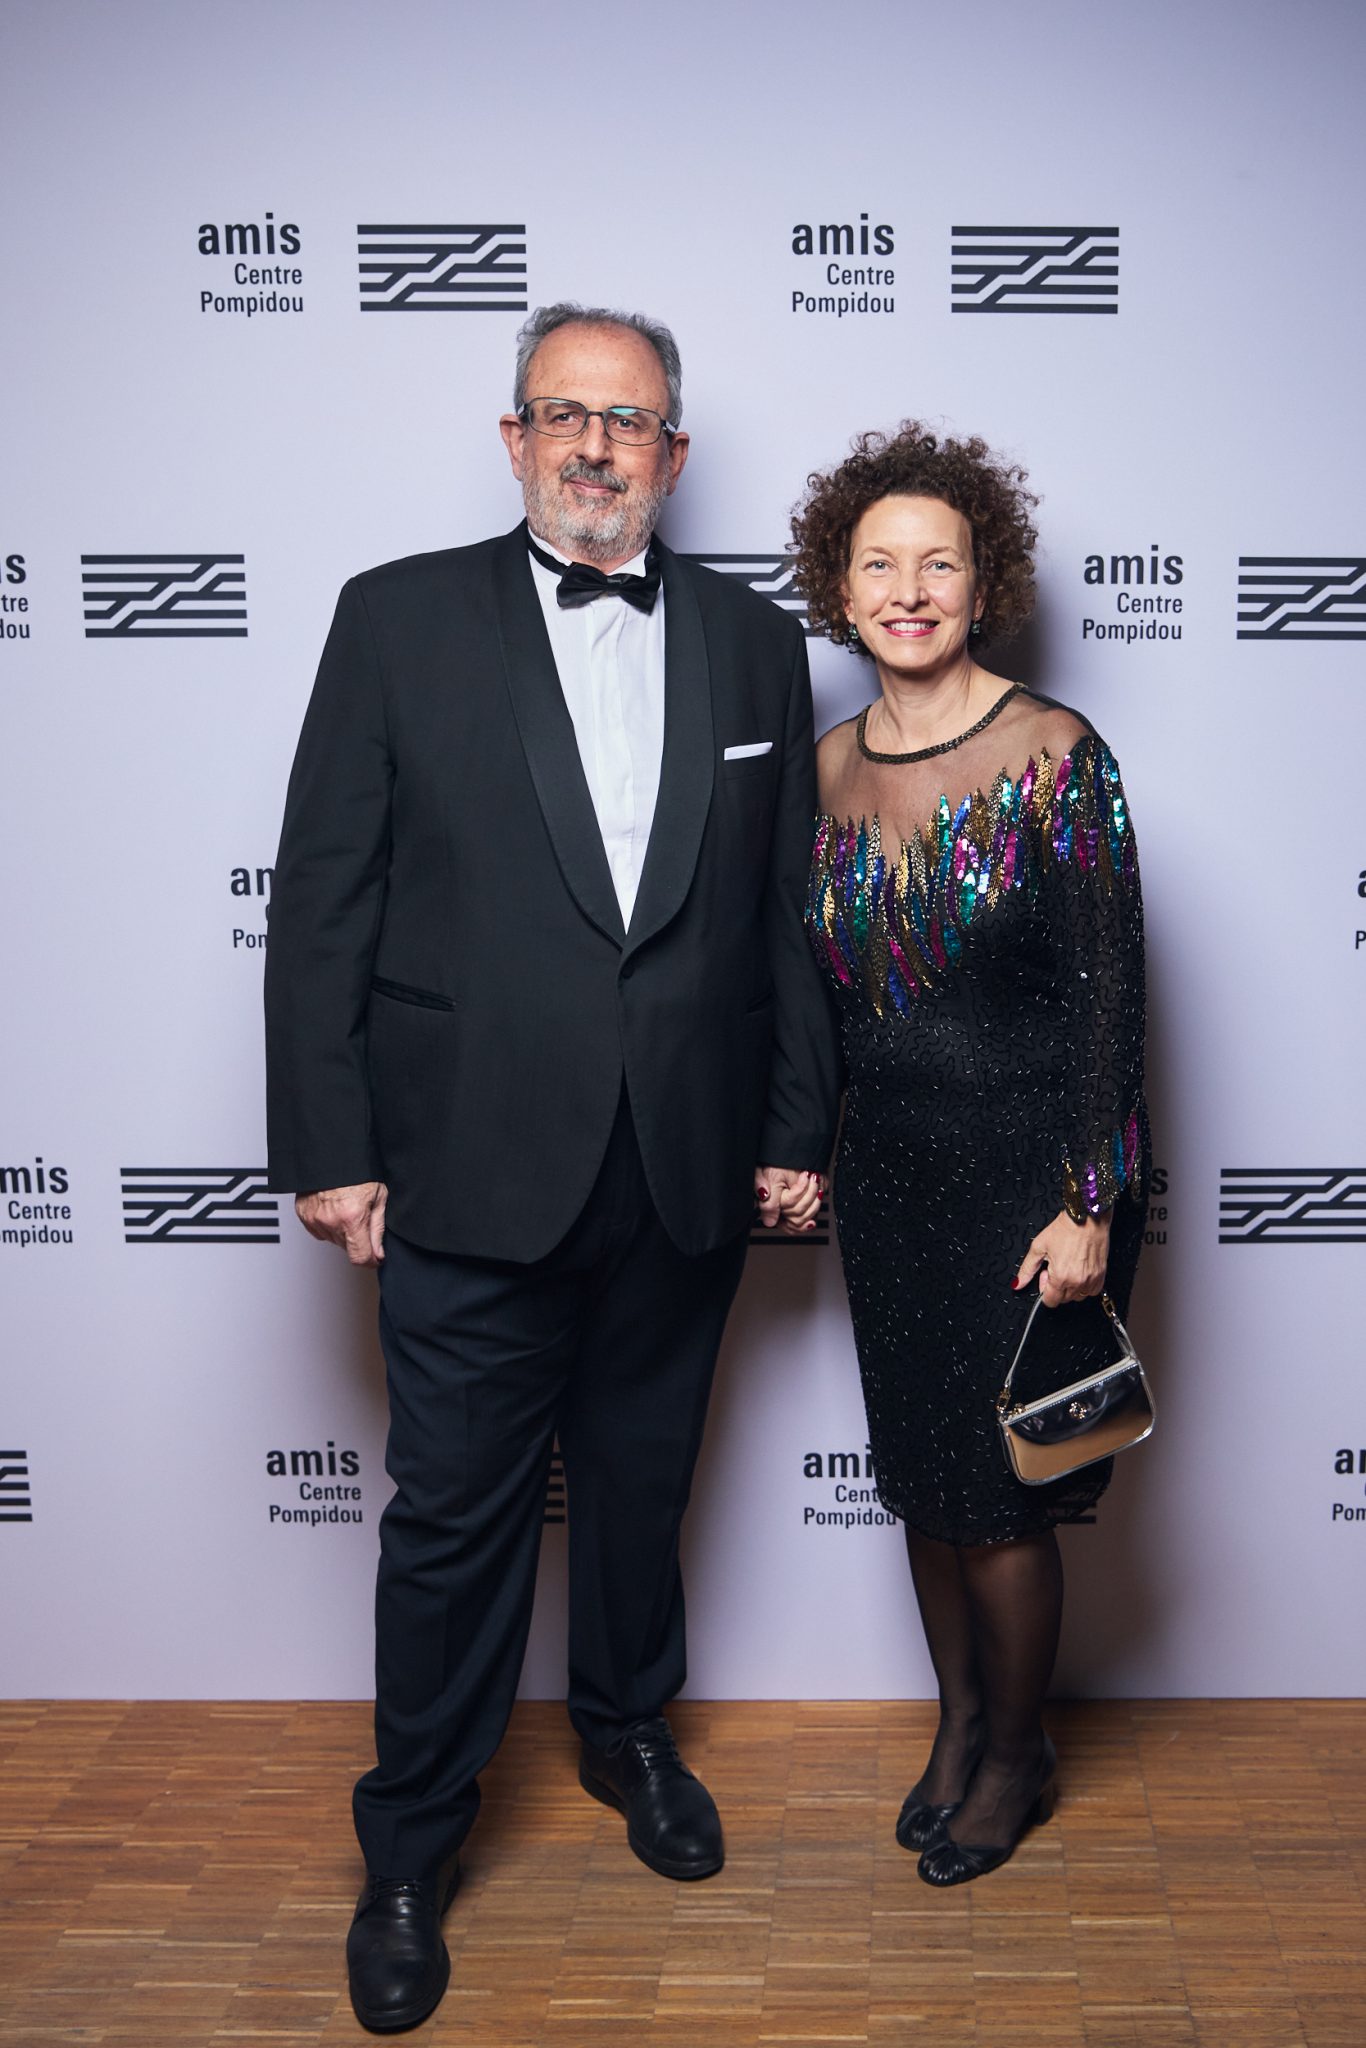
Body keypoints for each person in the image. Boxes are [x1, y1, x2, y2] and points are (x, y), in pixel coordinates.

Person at [264, 303, 840, 2031]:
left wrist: (792, 1133)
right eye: (565, 415)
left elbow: (786, 918)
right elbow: (322, 908)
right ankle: (412, 1848)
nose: (598, 447)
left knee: (642, 1494)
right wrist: (332, 1143)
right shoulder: (393, 618)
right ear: (512, 438)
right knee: (452, 1524)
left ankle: (628, 1738)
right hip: (465, 1163)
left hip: (678, 1159)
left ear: (674, 453)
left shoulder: (753, 646)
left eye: (634, 421)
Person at [792, 422, 1148, 1887]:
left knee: (1002, 1493)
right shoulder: (821, 769)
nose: (908, 587)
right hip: (887, 1179)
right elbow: (813, 1002)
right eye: (878, 563)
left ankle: (1017, 1753)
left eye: (937, 560)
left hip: (1022, 1182)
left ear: (982, 576)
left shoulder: (1056, 751)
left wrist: (1090, 1202)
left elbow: (1111, 999)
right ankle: (957, 1728)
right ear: (840, 588)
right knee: (925, 1481)